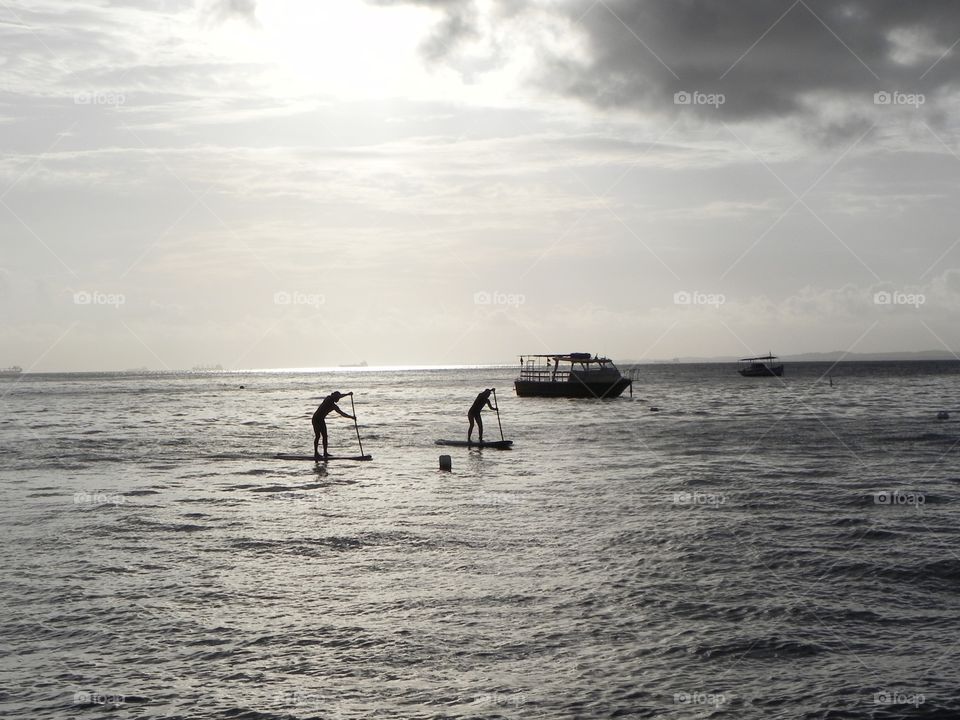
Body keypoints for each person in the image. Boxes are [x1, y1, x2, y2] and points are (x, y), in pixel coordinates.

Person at [312, 391, 355, 459]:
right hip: (316, 419)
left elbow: (342, 414)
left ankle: (325, 453)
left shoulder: (334, 406)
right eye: (337, 398)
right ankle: (316, 453)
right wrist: (346, 394)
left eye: (339, 398)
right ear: (334, 396)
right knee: (318, 436)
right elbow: (336, 396)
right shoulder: (328, 399)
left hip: (321, 420)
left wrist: (351, 417)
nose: (338, 399)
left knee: (325, 436)